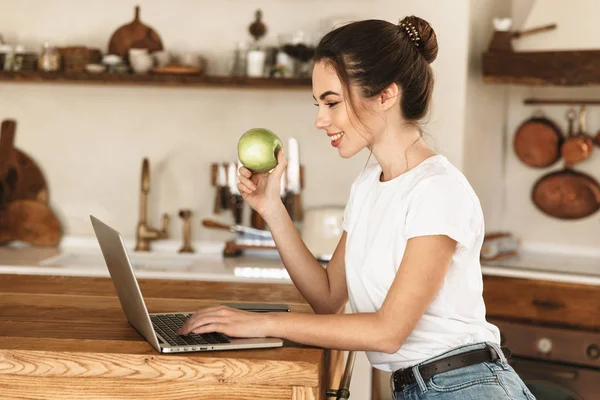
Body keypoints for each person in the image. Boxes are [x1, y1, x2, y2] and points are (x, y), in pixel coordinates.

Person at [179, 16, 535, 399]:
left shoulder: (437, 190)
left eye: (331, 102)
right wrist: (271, 208)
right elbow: (329, 297)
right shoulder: (368, 186)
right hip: (425, 387)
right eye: (318, 104)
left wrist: (263, 324)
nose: (320, 120)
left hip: (467, 387)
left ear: (385, 95)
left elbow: (387, 332)